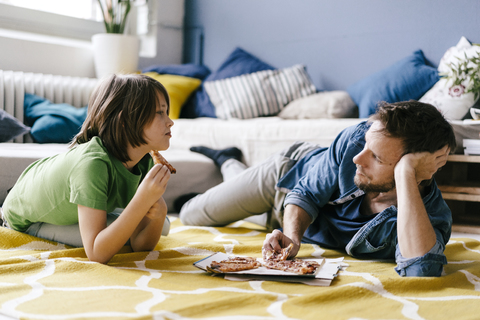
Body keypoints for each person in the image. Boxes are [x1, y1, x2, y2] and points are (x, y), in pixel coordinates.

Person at [178, 100, 456, 277]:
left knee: (241, 213)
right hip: (285, 181)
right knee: (191, 215)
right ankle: (227, 160)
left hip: (287, 221)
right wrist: (293, 239)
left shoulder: (432, 218)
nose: (358, 158)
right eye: (365, 147)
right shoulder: (354, 141)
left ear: (420, 169)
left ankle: (231, 166)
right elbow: (306, 194)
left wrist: (405, 172)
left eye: (378, 157)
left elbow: (422, 270)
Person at [1, 74, 174, 264]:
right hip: (25, 220)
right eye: (160, 112)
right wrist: (142, 200)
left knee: (162, 224)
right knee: (122, 236)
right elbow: (97, 253)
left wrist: (160, 212)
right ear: (125, 120)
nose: (170, 121)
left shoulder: (144, 161)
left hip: (68, 206)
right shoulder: (93, 165)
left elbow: (142, 246)